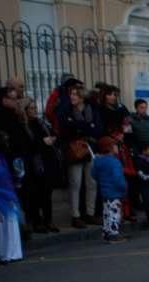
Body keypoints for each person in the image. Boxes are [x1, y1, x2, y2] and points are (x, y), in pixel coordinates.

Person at [57, 85, 102, 228]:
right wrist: (86, 127)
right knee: (75, 183)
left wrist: (80, 126)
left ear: (82, 97)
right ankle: (75, 215)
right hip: (74, 149)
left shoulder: (91, 110)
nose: (72, 97)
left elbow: (98, 128)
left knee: (92, 182)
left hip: (90, 148)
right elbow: (66, 128)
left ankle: (90, 213)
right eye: (71, 94)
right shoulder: (66, 110)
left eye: (75, 94)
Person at [20, 97, 61, 233]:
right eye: (31, 108)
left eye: (35, 108)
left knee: (47, 193)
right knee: (35, 194)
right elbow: (28, 145)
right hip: (34, 163)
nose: (34, 111)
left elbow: (50, 134)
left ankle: (48, 220)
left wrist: (52, 138)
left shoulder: (40, 123)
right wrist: (43, 142)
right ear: (25, 111)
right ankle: (37, 221)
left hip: (46, 161)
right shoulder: (24, 126)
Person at [90, 136, 126, 243]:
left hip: (104, 191)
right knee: (115, 213)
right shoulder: (115, 162)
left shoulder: (97, 161)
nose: (117, 148)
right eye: (115, 146)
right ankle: (114, 234)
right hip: (115, 192)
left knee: (106, 213)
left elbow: (93, 174)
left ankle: (106, 232)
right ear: (110, 148)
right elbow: (118, 178)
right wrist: (123, 187)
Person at [0, 131, 23, 262]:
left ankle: (11, 252)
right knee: (4, 224)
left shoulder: (4, 156)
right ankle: (5, 252)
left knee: (9, 222)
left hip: (6, 192)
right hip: (3, 192)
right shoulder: (2, 156)